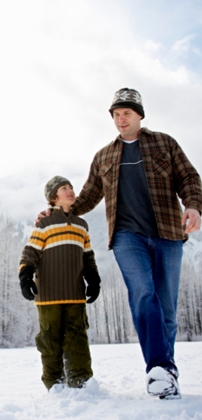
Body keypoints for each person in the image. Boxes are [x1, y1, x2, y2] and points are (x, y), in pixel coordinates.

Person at [37, 88, 202, 399]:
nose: (121, 119)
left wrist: (193, 206)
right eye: (115, 114)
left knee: (166, 307)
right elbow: (87, 197)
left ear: (139, 115)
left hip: (167, 232)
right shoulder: (104, 156)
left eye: (126, 113)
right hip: (127, 236)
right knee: (143, 292)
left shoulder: (164, 143)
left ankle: (166, 373)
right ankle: (159, 367)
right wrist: (56, 211)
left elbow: (189, 178)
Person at [20, 175, 101, 391]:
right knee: (50, 339)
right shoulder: (44, 224)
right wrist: (25, 276)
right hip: (48, 295)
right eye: (64, 188)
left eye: (71, 187)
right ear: (53, 197)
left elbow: (88, 256)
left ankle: (80, 381)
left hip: (75, 293)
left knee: (78, 337)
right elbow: (30, 252)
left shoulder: (81, 225)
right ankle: (54, 383)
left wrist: (93, 279)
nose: (70, 190)